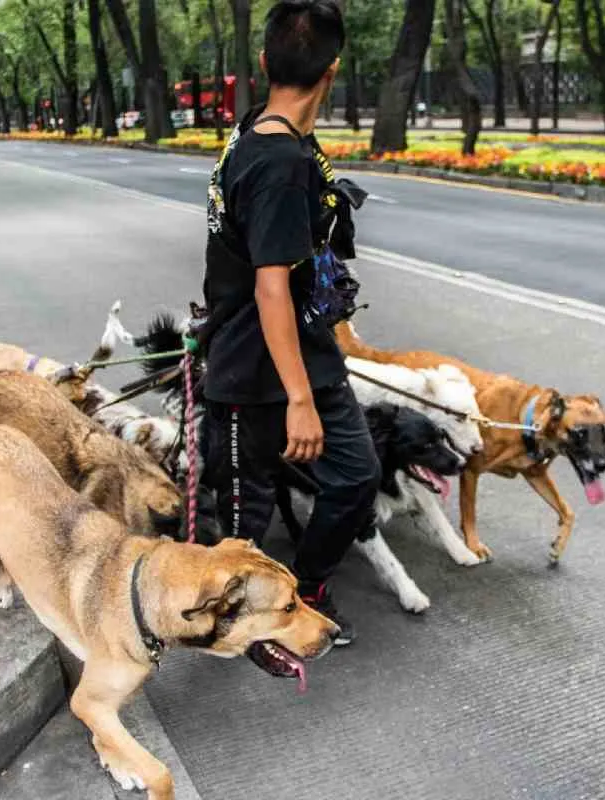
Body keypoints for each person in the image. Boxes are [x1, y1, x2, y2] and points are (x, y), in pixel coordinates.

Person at [197, 0, 377, 646]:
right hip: (253, 369)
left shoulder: (266, 131)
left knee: (356, 475)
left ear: (264, 61)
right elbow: (269, 287)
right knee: (243, 517)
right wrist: (299, 400)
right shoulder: (276, 162)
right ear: (333, 70)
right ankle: (237, 627)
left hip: (306, 351)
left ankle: (304, 589)